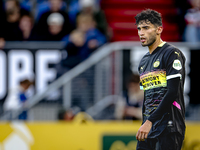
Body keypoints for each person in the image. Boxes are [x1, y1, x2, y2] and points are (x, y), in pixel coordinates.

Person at [135, 9, 186, 150]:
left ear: (159, 29)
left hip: (169, 127)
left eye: (146, 28)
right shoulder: (143, 62)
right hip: (149, 128)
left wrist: (149, 121)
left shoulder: (171, 53)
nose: (141, 32)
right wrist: (145, 122)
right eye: (139, 28)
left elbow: (172, 92)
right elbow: (147, 97)